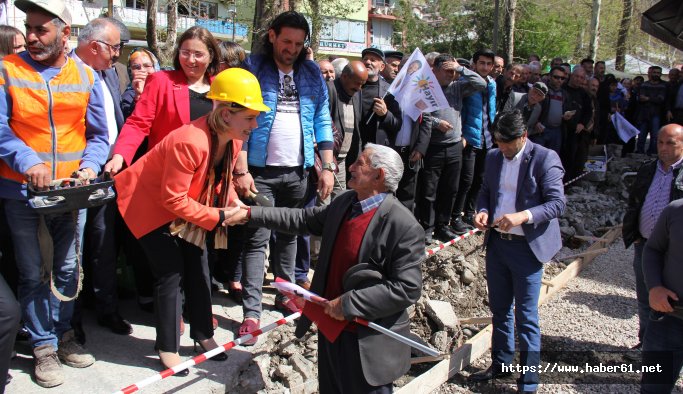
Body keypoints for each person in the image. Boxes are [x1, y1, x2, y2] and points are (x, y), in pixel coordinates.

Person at [234, 143, 423, 393]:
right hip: (333, 331)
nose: (351, 167)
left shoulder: (403, 226)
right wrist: (250, 214)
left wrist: (347, 304)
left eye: (360, 163)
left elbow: (407, 288)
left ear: (379, 176)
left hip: (367, 342)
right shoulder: (346, 203)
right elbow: (302, 220)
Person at [115, 68, 269, 373]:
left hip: (185, 207)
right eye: (250, 117)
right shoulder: (190, 140)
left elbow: (218, 181)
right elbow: (171, 199)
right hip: (147, 207)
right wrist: (222, 216)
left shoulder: (232, 139)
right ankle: (167, 346)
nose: (255, 124)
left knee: (199, 265)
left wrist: (232, 201)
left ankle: (203, 334)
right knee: (170, 273)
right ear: (226, 114)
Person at [0, 0, 109, 387]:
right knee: (32, 272)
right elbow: (0, 128)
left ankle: (64, 336)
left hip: (70, 194)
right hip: (22, 192)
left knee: (66, 268)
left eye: (41, 29)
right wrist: (28, 160)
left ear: (66, 33)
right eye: (29, 27)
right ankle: (42, 347)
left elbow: (98, 135)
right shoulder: (7, 71)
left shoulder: (85, 74)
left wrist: (91, 167)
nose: (31, 36)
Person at [234, 11, 334, 344]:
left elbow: (322, 119)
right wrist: (242, 168)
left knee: (291, 236)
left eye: (298, 43)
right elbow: (240, 122)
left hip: (299, 171)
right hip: (260, 172)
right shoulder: (252, 68)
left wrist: (328, 166)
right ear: (273, 36)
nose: (291, 49)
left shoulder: (310, 73)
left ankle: (285, 293)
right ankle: (250, 314)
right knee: (257, 241)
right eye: (286, 41)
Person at [470, 110, 566, 393]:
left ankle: (528, 382)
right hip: (498, 244)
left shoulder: (545, 159)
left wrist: (522, 216)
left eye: (508, 145)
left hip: (527, 248)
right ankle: (501, 364)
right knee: (499, 310)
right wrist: (483, 210)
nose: (502, 149)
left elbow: (557, 204)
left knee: (526, 316)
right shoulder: (493, 157)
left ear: (523, 136)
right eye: (498, 143)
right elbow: (486, 190)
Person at [69, 17, 131, 343]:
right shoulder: (67, 74)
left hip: (107, 172)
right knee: (73, 251)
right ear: (96, 46)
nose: (117, 55)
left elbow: (111, 123)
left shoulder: (108, 73)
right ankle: (72, 319)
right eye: (115, 48)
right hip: (77, 176)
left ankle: (106, 308)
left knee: (104, 243)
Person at [105, 26, 221, 174]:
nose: (191, 60)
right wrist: (119, 156)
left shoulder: (220, 86)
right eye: (185, 53)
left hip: (207, 171)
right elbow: (138, 123)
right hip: (167, 171)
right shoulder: (161, 81)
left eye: (198, 54)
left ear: (211, 56)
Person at [622, 124, 683, 357]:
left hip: (674, 250)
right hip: (646, 244)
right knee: (646, 295)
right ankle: (646, 343)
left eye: (670, 143)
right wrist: (633, 233)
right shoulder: (648, 169)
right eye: (660, 142)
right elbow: (635, 202)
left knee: (673, 302)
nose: (663, 148)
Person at [419, 53, 485, 243]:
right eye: (446, 70)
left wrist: (461, 69)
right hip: (433, 147)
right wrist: (436, 122)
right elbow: (418, 112)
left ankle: (442, 226)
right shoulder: (425, 87)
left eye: (452, 70)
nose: (450, 74)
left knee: (450, 189)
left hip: (455, 145)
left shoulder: (458, 86)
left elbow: (481, 84)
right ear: (435, 70)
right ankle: (427, 228)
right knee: (429, 191)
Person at [640, 199, 683, 394]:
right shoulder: (675, 210)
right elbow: (653, 249)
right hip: (669, 317)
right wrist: (655, 287)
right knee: (654, 387)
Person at [455, 49, 498, 234]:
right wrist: (462, 133)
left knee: (480, 179)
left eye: (489, 64)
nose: (485, 67)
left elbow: (492, 110)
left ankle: (470, 213)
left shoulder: (492, 83)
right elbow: (460, 109)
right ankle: (455, 215)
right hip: (470, 137)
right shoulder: (465, 82)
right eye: (482, 63)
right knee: (466, 179)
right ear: (474, 64)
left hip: (487, 138)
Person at [120, 48, 160, 119]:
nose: (142, 70)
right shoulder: (128, 97)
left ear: (155, 67)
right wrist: (138, 95)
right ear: (130, 72)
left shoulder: (165, 90)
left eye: (147, 66)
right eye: (136, 67)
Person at [637, 66, 667, 155]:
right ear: (651, 73)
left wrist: (648, 98)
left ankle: (652, 154)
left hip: (656, 114)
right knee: (641, 135)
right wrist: (652, 99)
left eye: (658, 73)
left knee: (655, 136)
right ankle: (639, 153)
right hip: (644, 113)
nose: (656, 74)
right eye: (655, 72)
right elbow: (641, 98)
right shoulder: (644, 84)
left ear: (660, 74)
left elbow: (661, 99)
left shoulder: (663, 85)